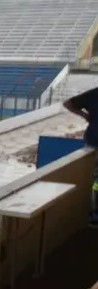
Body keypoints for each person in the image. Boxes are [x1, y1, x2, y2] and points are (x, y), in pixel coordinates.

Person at [63, 87, 98, 227]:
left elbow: (69, 104)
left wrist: (86, 116)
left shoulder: (94, 93)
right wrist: (85, 116)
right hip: (95, 142)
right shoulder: (94, 94)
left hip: (94, 140)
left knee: (95, 181)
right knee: (95, 182)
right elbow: (68, 104)